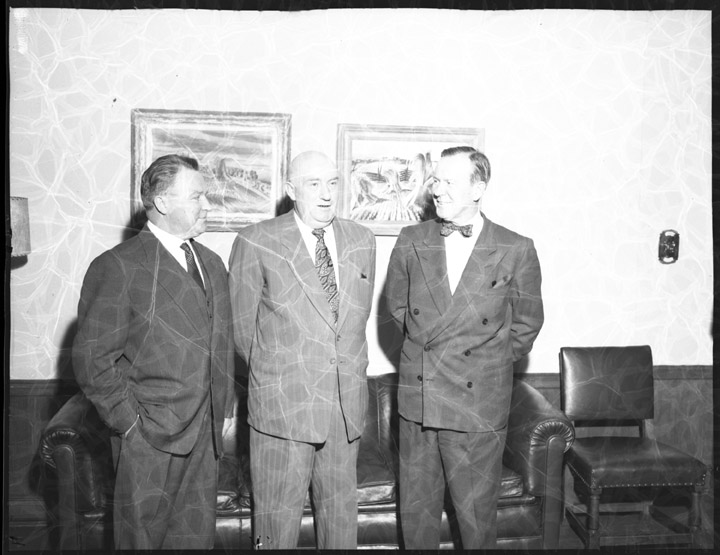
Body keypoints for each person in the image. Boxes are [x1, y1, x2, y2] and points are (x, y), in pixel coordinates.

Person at [72, 154, 235, 550]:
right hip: (149, 439)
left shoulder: (212, 264)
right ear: (162, 202)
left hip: (206, 436)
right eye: (196, 197)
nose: (207, 205)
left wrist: (225, 408)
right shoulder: (118, 266)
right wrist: (131, 426)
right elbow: (93, 361)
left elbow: (220, 343)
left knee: (195, 542)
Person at [385, 146, 544, 549]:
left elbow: (526, 325)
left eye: (449, 182)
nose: (437, 190)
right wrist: (430, 353)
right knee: (417, 522)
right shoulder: (411, 240)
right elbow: (398, 309)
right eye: (436, 180)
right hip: (419, 402)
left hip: (477, 407)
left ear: (478, 188)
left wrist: (484, 362)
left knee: (476, 525)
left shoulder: (516, 248)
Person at [228, 151, 376, 549]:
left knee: (340, 529)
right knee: (275, 532)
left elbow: (353, 323)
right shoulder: (256, 240)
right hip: (283, 409)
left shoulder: (362, 239)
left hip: (344, 411)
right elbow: (242, 333)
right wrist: (285, 378)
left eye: (333, 183)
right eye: (314, 184)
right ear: (291, 190)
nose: (326, 194)